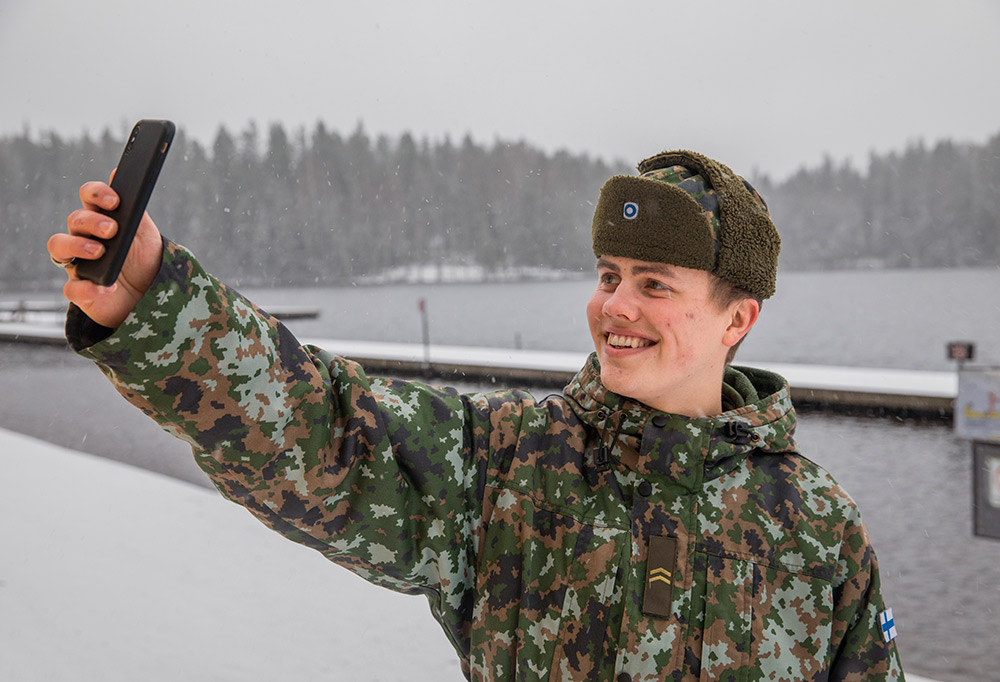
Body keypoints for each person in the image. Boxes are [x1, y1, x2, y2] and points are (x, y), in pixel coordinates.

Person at [48, 148, 905, 681]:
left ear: (737, 319)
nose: (617, 307)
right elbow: (325, 434)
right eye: (609, 275)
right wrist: (159, 306)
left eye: (655, 285)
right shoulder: (506, 463)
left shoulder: (815, 524)